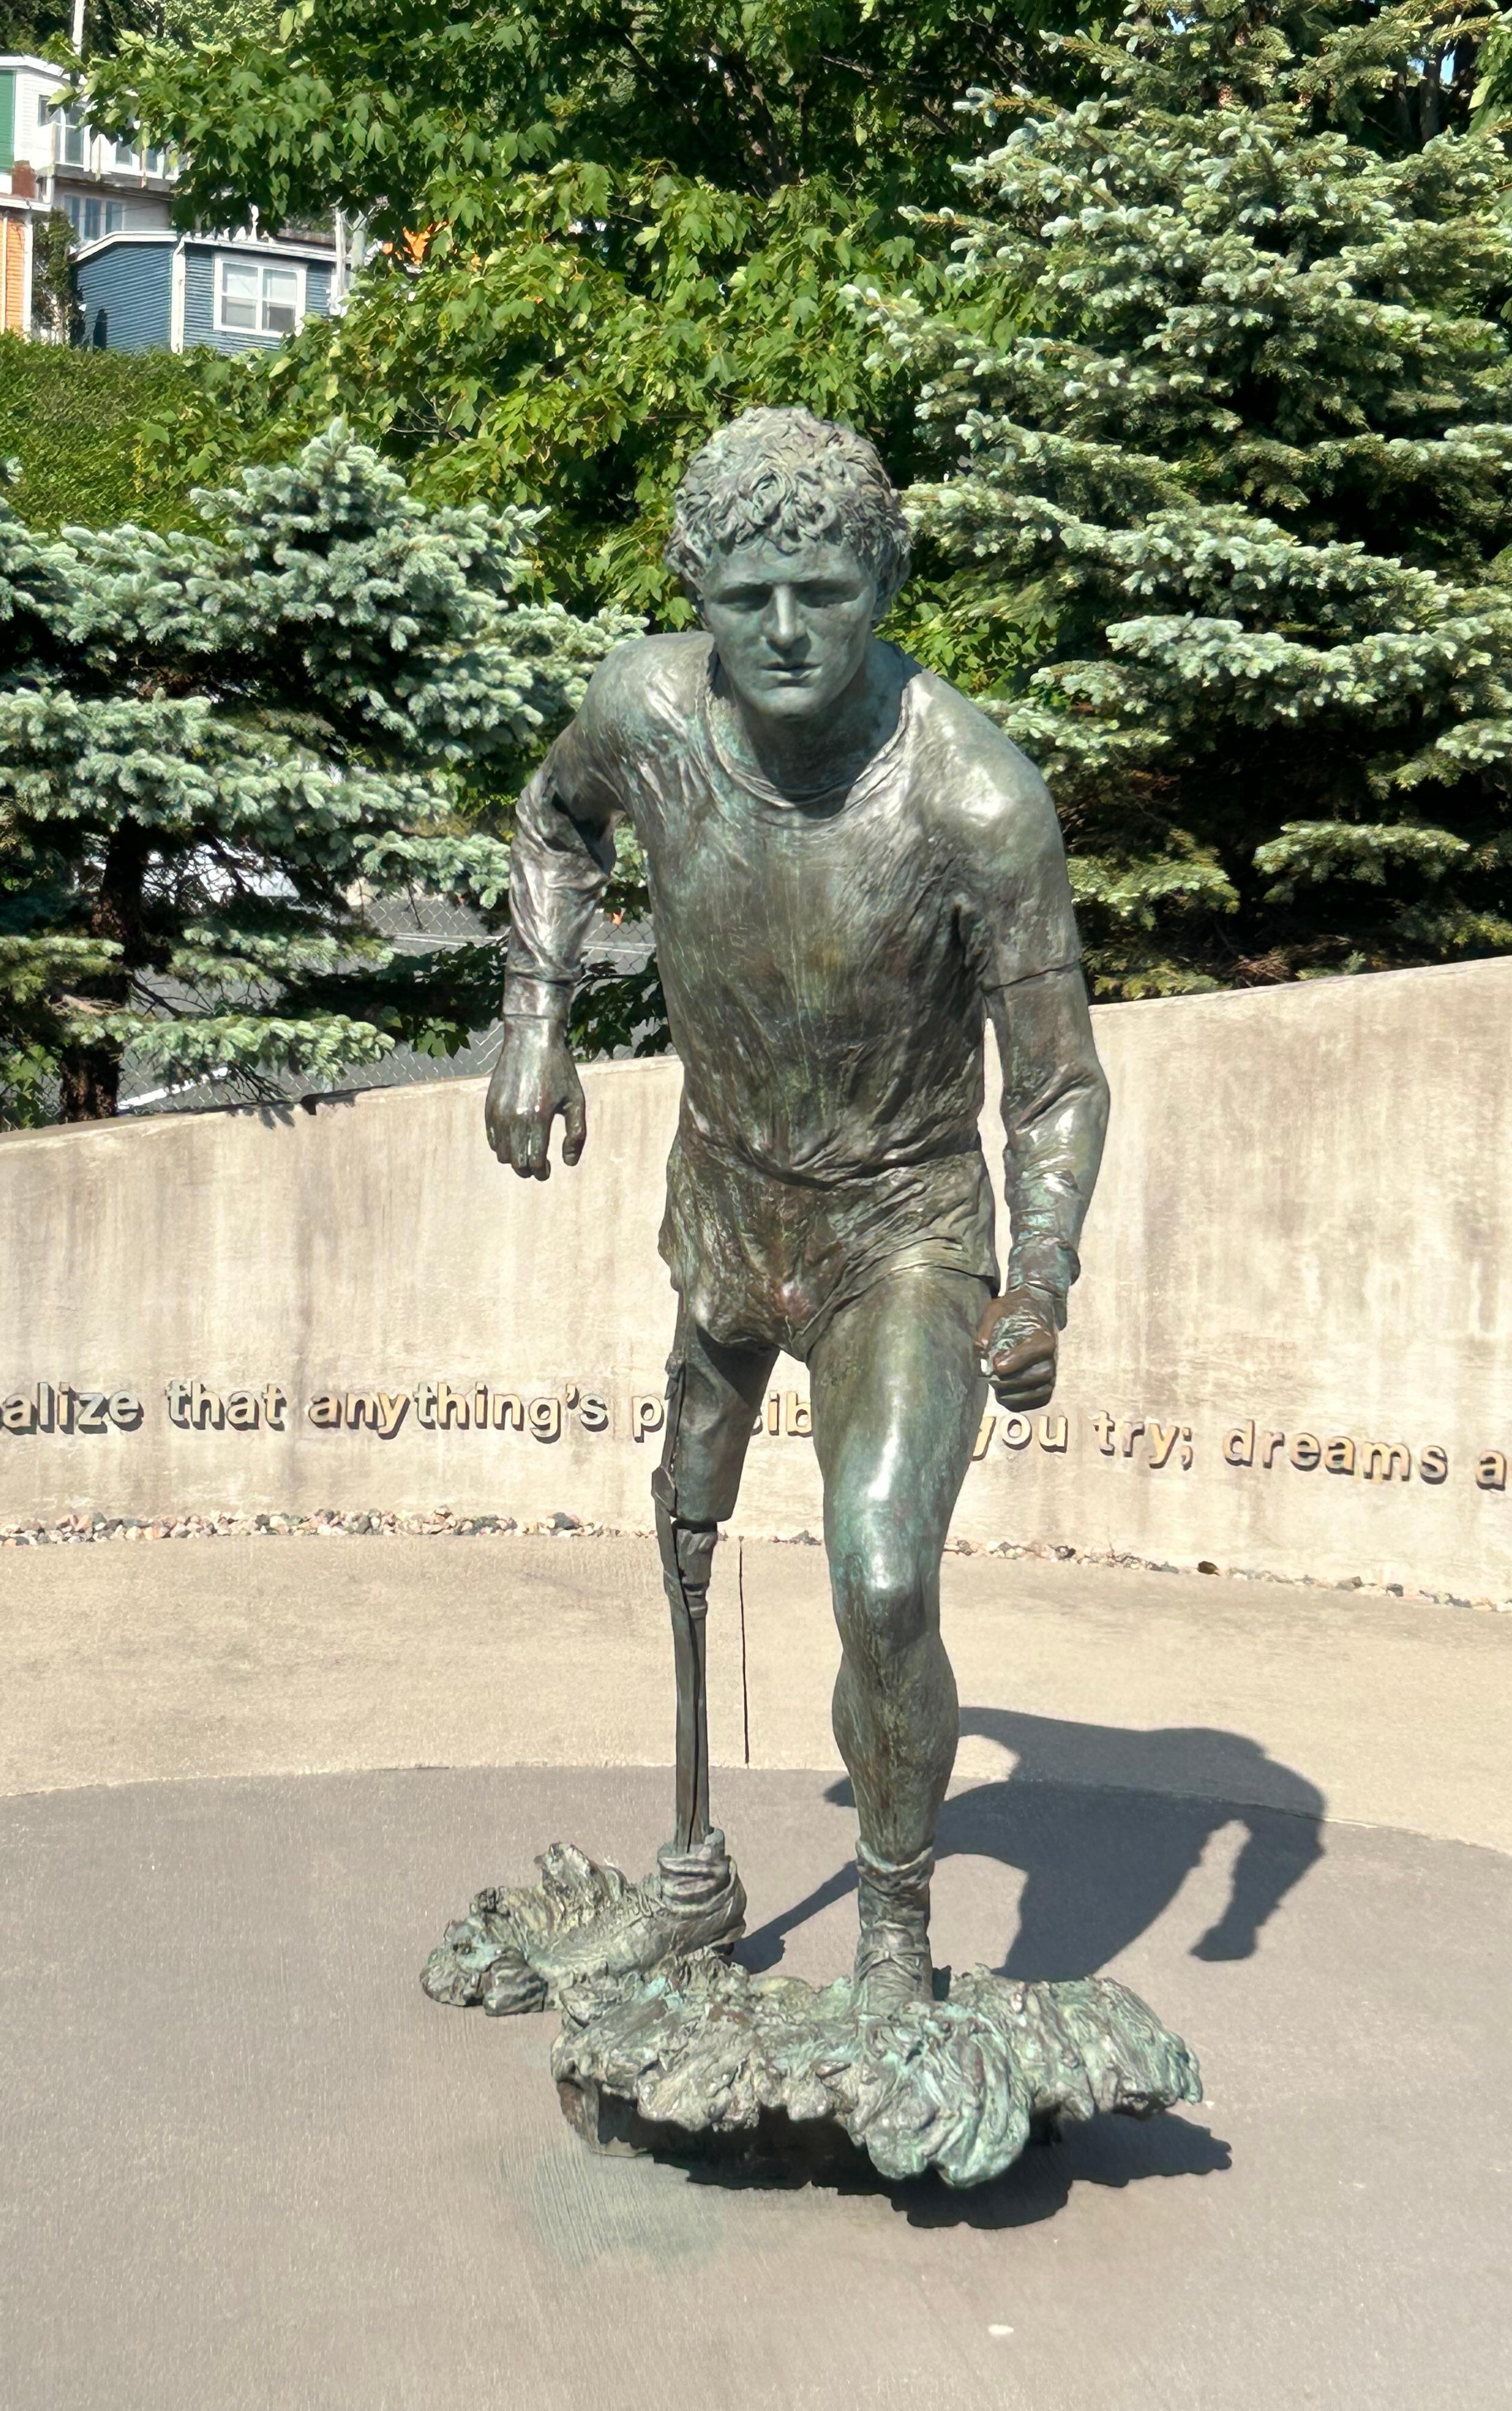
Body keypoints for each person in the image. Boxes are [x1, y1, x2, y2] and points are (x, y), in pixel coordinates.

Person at [485, 407, 1109, 2016]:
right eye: (747, 595)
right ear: (696, 577)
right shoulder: (642, 711)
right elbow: (554, 828)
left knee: (883, 1573)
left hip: (903, 1231)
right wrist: (535, 1022)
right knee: (683, 1523)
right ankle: (692, 1874)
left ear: (881, 585)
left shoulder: (974, 800)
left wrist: (1035, 1279)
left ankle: (894, 1941)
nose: (782, 634)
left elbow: (1054, 1083)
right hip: (725, 1201)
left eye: (824, 595)